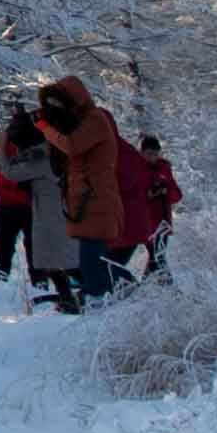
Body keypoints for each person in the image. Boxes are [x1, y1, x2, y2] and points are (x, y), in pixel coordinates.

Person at [37, 74, 133, 304]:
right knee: (95, 262)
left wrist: (45, 128)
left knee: (93, 262)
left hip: (96, 201)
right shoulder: (80, 123)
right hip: (87, 202)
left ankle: (102, 302)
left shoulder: (95, 119)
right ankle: (122, 297)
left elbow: (72, 145)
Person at [0, 113, 79, 312]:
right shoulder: (51, 152)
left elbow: (11, 172)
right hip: (57, 212)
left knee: (55, 260)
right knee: (61, 258)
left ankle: (70, 298)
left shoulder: (41, 159)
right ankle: (73, 296)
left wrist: (0, 151)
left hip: (49, 215)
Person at [0, 96, 35, 280]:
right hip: (14, 203)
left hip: (21, 203)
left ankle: (37, 279)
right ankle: (1, 276)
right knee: (7, 244)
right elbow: (2, 171)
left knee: (30, 244)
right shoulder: (4, 144)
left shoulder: (27, 143)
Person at [135, 131, 185, 283]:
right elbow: (133, 195)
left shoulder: (164, 169)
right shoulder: (136, 169)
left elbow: (176, 196)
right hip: (145, 222)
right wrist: (148, 194)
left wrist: (165, 190)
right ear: (142, 152)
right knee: (157, 256)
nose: (152, 157)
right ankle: (169, 289)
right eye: (149, 154)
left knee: (156, 256)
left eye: (155, 154)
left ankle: (145, 287)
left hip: (162, 222)